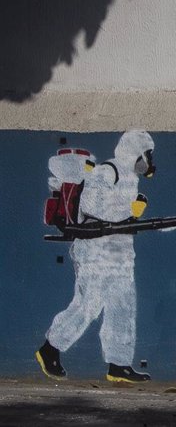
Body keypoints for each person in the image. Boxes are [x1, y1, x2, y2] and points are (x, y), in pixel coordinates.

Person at [36, 130, 156, 383]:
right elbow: (92, 205)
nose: (149, 161)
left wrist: (133, 215)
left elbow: (124, 217)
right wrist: (128, 211)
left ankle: (119, 364)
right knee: (88, 305)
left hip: (120, 253)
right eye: (147, 154)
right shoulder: (106, 171)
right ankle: (50, 348)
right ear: (135, 152)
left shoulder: (131, 179)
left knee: (122, 308)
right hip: (94, 251)